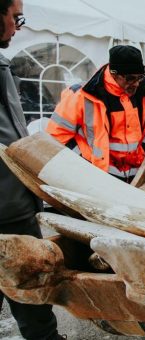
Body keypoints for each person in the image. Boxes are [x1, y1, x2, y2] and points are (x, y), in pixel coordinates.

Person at [0, 0, 64, 339]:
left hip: (17, 205)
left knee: (32, 290)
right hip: (7, 205)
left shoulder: (2, 64)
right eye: (15, 16)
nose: (18, 26)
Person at [46, 45, 145, 183]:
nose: (136, 83)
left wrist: (141, 159)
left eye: (140, 77)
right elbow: (55, 137)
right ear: (114, 73)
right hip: (97, 177)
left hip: (135, 177)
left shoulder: (144, 94)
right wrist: (83, 163)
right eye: (130, 78)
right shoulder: (81, 95)